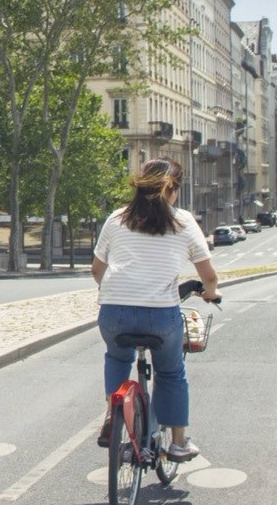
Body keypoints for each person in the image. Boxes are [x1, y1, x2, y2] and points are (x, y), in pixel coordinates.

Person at [91, 157, 218, 462]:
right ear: (173, 191)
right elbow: (208, 276)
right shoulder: (183, 221)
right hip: (160, 315)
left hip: (113, 311)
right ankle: (178, 443)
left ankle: (113, 413)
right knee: (171, 372)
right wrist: (211, 293)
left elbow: (97, 269)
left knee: (117, 357)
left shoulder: (117, 218)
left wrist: (114, 292)